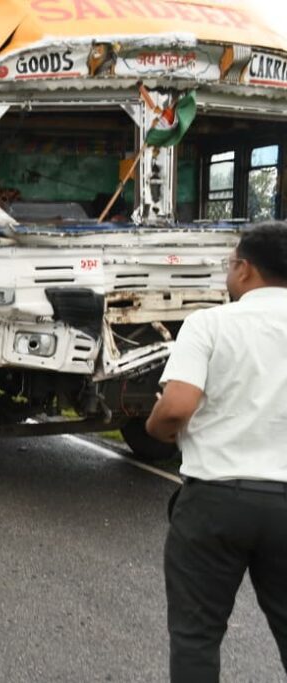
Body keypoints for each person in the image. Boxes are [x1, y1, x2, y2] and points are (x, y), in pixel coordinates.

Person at [145, 223, 287, 681]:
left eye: (230, 264)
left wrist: (156, 428)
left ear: (244, 270)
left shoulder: (210, 323)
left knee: (196, 637)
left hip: (214, 503)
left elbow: (177, 408)